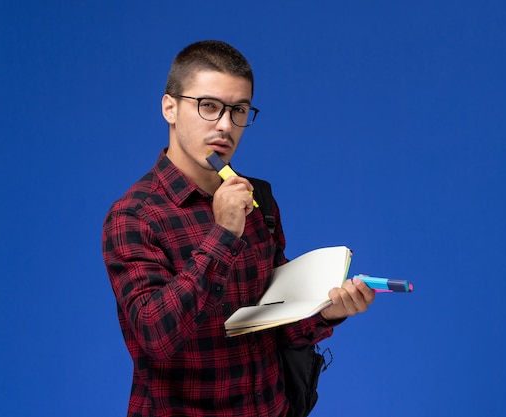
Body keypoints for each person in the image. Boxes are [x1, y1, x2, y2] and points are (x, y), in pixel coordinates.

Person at [102, 40, 375, 417]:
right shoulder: (134, 215)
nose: (226, 126)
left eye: (239, 110)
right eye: (209, 107)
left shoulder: (257, 196)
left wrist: (326, 312)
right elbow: (155, 337)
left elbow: (273, 322)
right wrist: (224, 234)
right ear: (170, 108)